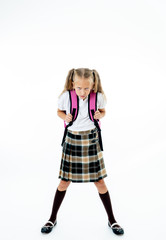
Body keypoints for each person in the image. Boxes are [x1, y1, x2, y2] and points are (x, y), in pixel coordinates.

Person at [41, 68, 124, 235]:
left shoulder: (98, 97)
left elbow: (103, 111)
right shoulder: (66, 96)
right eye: (79, 88)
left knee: (100, 182)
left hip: (92, 140)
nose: (82, 92)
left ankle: (112, 220)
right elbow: (59, 111)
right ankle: (52, 218)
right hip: (72, 140)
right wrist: (64, 117)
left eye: (86, 88)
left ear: (92, 86)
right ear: (73, 85)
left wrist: (101, 114)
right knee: (64, 181)